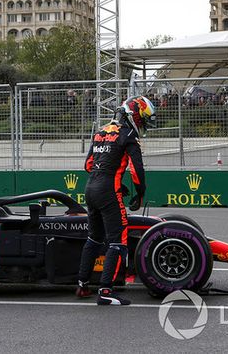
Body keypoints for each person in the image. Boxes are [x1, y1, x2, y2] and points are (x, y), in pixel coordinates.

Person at [76, 95, 156, 306]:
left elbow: (88, 165)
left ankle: (82, 285)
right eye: (141, 119)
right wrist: (139, 194)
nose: (142, 124)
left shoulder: (101, 132)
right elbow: (137, 171)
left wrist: (117, 182)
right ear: (132, 115)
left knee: (93, 238)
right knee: (118, 241)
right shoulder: (129, 135)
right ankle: (105, 291)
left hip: (90, 189)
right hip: (108, 192)